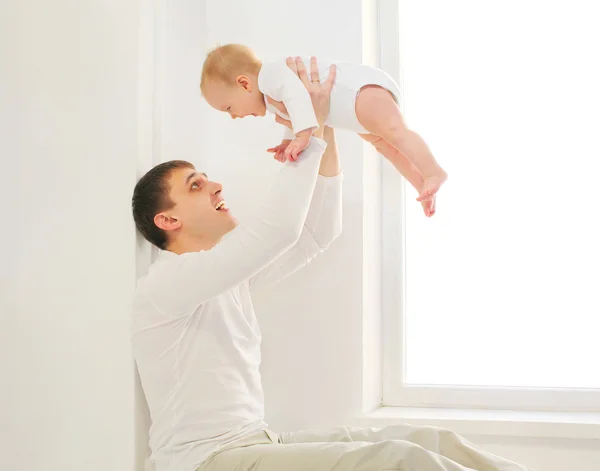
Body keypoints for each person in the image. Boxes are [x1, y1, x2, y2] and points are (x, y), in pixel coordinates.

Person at [132, 58, 529, 471]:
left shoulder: (220, 280)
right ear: (168, 220)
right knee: (402, 460)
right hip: (206, 461)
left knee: (426, 440)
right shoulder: (169, 284)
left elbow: (318, 232)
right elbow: (278, 231)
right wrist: (310, 132)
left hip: (252, 440)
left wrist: (322, 125)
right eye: (195, 185)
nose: (215, 184)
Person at [200, 44, 447, 217]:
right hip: (349, 112)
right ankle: (422, 185)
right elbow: (297, 114)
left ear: (244, 84)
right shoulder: (272, 102)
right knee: (388, 147)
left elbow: (297, 97)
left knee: (396, 132)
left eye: (229, 108)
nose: (233, 116)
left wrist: (302, 136)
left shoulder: (270, 75)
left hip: (357, 92)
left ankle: (433, 171)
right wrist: (290, 142)